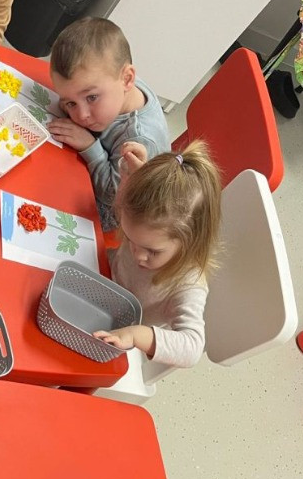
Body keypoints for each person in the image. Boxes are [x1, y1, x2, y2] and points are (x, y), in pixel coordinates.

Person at [93, 140, 221, 370]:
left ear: (190, 242)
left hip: (117, 330)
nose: (138, 255)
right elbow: (121, 208)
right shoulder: (146, 225)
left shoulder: (188, 283)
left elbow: (192, 347)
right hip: (100, 277)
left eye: (152, 251)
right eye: (130, 240)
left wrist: (136, 335)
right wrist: (131, 174)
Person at [49, 17, 172, 232]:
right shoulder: (112, 84)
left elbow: (112, 195)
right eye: (71, 102)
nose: (81, 115)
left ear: (127, 79)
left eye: (91, 98)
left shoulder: (140, 138)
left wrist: (89, 146)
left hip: (116, 212)